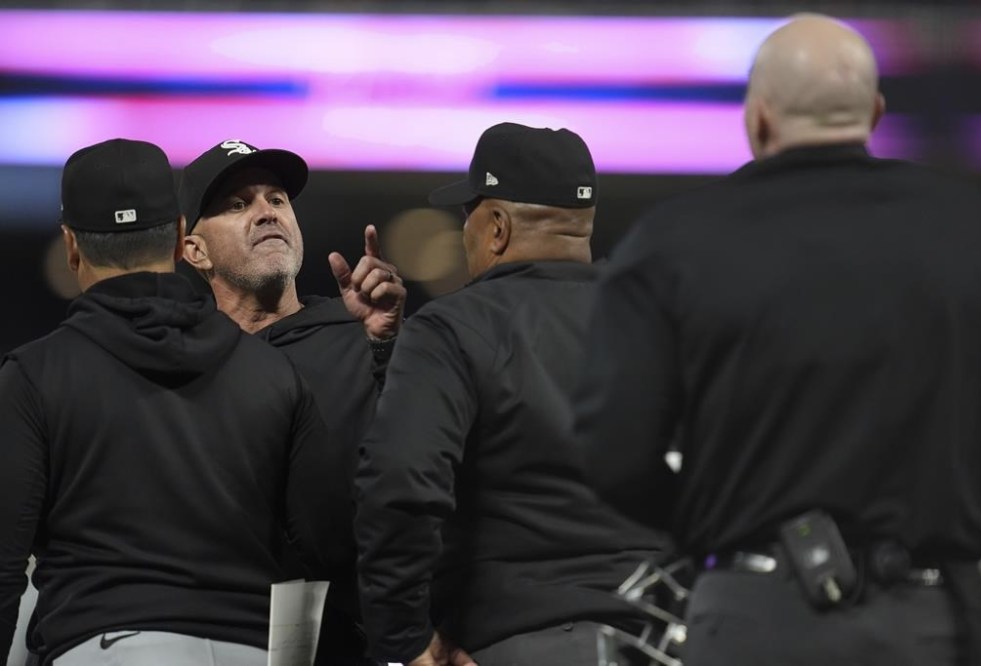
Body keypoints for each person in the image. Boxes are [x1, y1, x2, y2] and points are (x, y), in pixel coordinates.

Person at [575, 14, 981, 666]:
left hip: (754, 611)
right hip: (931, 616)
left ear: (759, 119)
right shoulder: (977, 232)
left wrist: (715, 518)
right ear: (876, 113)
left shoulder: (673, 244)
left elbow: (614, 454)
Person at [0, 139, 346, 664]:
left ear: (71, 245)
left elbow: (4, 567)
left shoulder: (34, 374)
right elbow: (329, 548)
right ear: (182, 236)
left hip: (105, 644)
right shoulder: (271, 373)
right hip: (249, 648)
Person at [354, 122, 672, 666]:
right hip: (664, 638)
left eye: (469, 218)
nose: (465, 234)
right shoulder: (664, 323)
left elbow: (401, 481)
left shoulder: (457, 325)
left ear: (496, 226)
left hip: (523, 641)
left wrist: (404, 640)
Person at [179, 140, 405, 664]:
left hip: (347, 641)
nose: (265, 214)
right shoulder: (181, 362)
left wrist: (386, 346)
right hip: (209, 633)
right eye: (238, 205)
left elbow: (418, 475)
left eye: (277, 200)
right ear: (195, 251)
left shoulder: (360, 338)